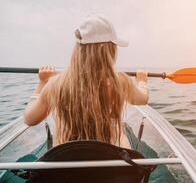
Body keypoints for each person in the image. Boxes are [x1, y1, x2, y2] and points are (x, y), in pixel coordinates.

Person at [24, 14, 149, 149]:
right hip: (110, 160)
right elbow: (143, 99)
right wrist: (142, 81)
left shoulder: (55, 85)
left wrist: (42, 83)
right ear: (109, 51)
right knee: (121, 138)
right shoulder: (120, 82)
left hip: (66, 164)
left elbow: (30, 119)